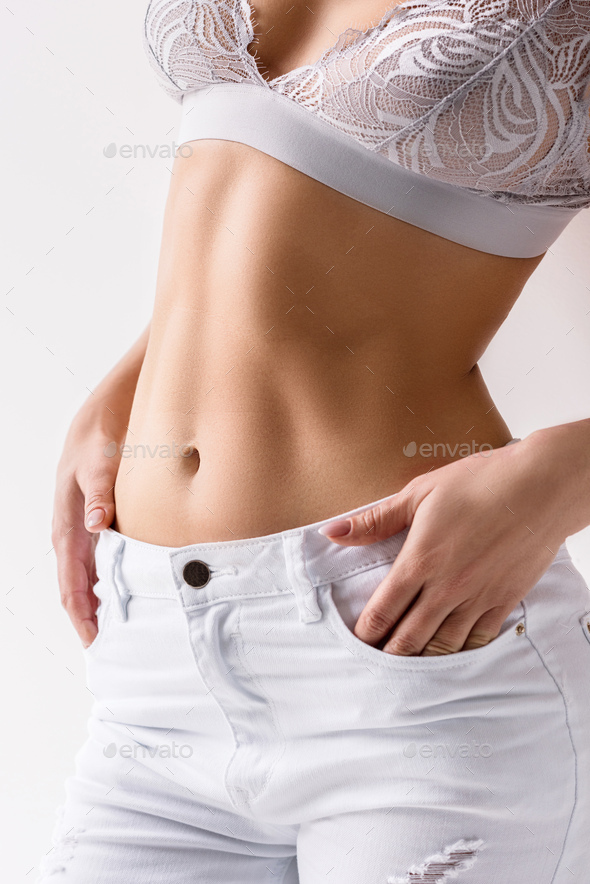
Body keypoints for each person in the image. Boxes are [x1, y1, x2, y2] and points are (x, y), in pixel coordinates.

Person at [42, 0, 590, 881]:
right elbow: (270, 212)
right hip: (154, 670)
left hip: (420, 649)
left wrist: (567, 476)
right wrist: (123, 387)